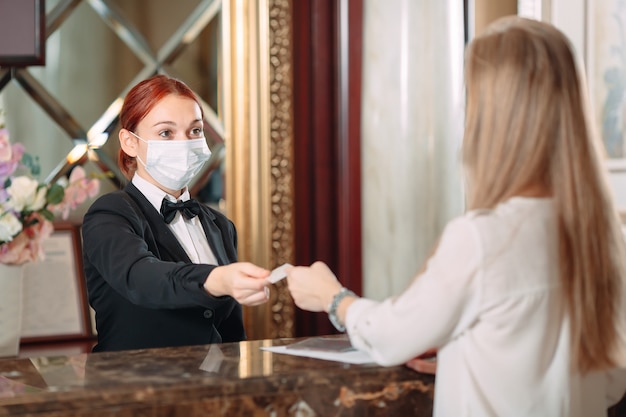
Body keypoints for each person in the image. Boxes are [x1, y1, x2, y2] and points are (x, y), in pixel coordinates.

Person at [284, 17, 626, 416]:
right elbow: (609, 380)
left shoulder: (484, 238)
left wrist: (332, 297)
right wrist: (468, 356)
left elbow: (392, 336)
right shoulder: (605, 235)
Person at [82, 74, 270, 352]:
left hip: (210, 388)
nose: (184, 142)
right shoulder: (110, 213)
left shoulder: (219, 225)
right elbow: (141, 278)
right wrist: (217, 279)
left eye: (194, 131)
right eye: (166, 133)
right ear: (129, 142)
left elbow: (230, 331)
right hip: (130, 387)